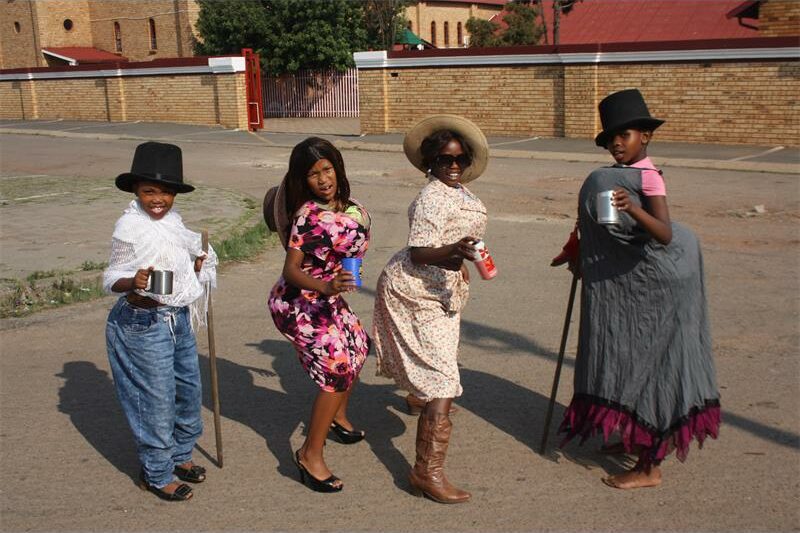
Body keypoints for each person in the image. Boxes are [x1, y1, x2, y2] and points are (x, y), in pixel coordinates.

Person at [556, 89, 721, 489]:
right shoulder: (613, 178)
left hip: (658, 284)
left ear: (644, 136)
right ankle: (632, 434)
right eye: (611, 138)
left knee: (652, 367)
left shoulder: (649, 175)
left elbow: (663, 233)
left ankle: (650, 465)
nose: (616, 143)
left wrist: (635, 209)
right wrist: (578, 250)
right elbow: (604, 230)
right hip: (632, 282)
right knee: (624, 355)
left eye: (624, 135)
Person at [372, 115, 490, 504]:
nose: (453, 166)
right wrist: (453, 253)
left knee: (441, 360)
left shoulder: (461, 192)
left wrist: (465, 254)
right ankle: (427, 472)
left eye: (459, 159)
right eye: (443, 160)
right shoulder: (430, 199)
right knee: (443, 379)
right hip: (415, 290)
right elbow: (420, 251)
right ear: (430, 164)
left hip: (444, 288)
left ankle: (418, 396)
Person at [104, 141, 218, 501]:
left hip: (177, 318)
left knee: (188, 392)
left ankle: (180, 455)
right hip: (141, 320)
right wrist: (131, 281)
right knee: (155, 400)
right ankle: (155, 472)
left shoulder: (174, 223)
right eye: (149, 190)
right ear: (136, 190)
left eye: (166, 192)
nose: (158, 199)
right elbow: (110, 277)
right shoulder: (129, 226)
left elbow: (179, 260)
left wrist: (197, 264)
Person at [267, 137, 371, 493]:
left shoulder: (348, 205)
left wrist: (338, 280)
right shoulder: (307, 217)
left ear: (338, 167)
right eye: (313, 174)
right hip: (298, 302)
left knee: (359, 345)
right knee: (338, 366)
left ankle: (337, 417)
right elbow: (292, 271)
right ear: (302, 180)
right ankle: (310, 454)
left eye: (327, 169)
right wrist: (327, 286)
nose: (323, 179)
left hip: (327, 297)